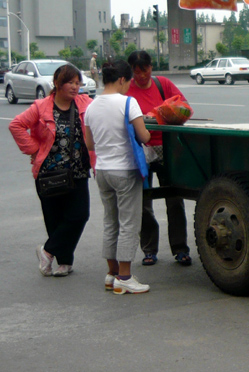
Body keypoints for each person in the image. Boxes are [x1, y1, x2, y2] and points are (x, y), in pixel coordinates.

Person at [9, 64, 96, 277]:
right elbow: (16, 125)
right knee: (54, 220)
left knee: (79, 215)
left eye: (78, 83)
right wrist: (34, 149)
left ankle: (47, 252)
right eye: (71, 83)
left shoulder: (85, 103)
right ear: (58, 84)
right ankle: (64, 262)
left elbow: (101, 115)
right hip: (49, 173)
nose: (76, 87)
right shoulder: (41, 107)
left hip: (78, 172)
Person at [84, 59, 152, 294]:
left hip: (102, 171)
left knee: (110, 222)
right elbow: (143, 136)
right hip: (124, 170)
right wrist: (146, 130)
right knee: (129, 223)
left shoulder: (91, 106)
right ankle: (124, 277)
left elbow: (89, 143)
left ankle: (111, 274)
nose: (128, 87)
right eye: (128, 82)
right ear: (122, 79)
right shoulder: (128, 103)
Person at [125, 50, 192, 267]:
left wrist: (160, 113)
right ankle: (149, 249)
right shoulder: (128, 89)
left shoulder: (162, 84)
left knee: (174, 199)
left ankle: (180, 248)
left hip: (166, 148)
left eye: (144, 70)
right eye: (136, 72)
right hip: (140, 150)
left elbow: (184, 108)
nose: (140, 76)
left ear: (151, 67)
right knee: (144, 201)